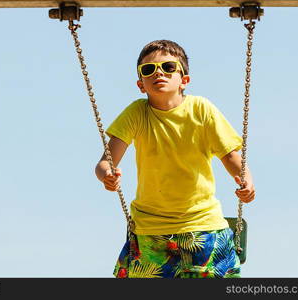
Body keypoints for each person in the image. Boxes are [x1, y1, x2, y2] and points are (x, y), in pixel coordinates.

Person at [94, 40, 255, 278]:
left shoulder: (202, 109)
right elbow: (106, 162)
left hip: (203, 225)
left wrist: (246, 181)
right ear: (141, 84)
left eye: (168, 67)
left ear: (184, 80)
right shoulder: (137, 113)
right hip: (151, 229)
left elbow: (230, 155)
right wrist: (107, 175)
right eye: (148, 70)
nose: (158, 73)